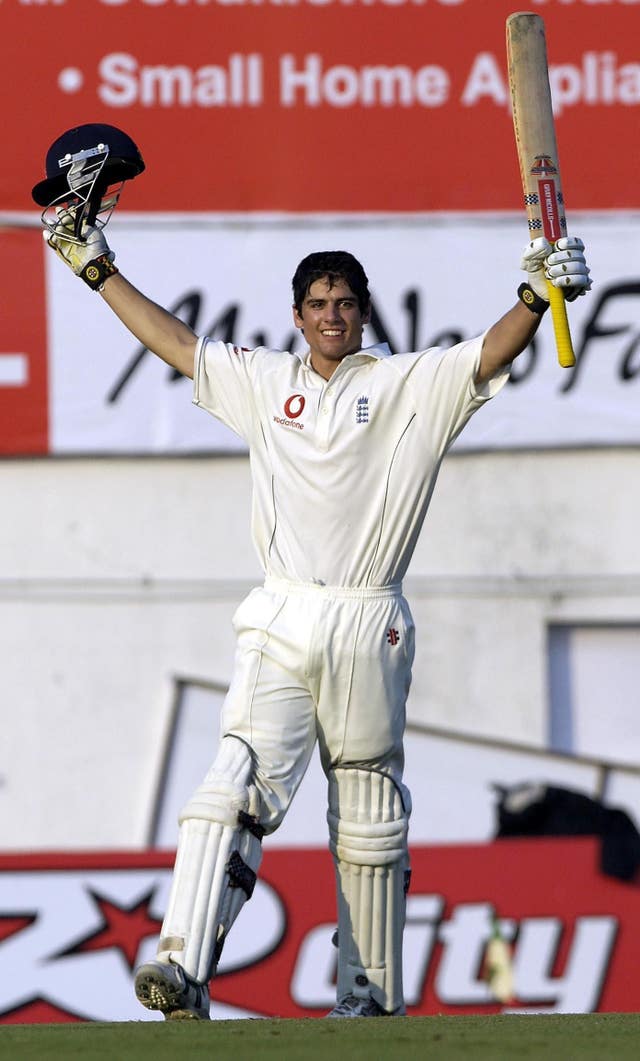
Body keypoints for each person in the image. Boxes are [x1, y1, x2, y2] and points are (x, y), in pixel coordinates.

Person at [44, 210, 591, 1020]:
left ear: (362, 312)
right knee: (231, 785)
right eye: (318, 303)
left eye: (344, 302)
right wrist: (97, 268)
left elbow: (490, 350)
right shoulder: (266, 383)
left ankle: (366, 999)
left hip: (371, 618)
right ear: (296, 315)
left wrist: (537, 294)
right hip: (281, 612)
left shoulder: (409, 384)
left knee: (368, 815)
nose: (332, 315)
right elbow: (177, 345)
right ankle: (182, 965)